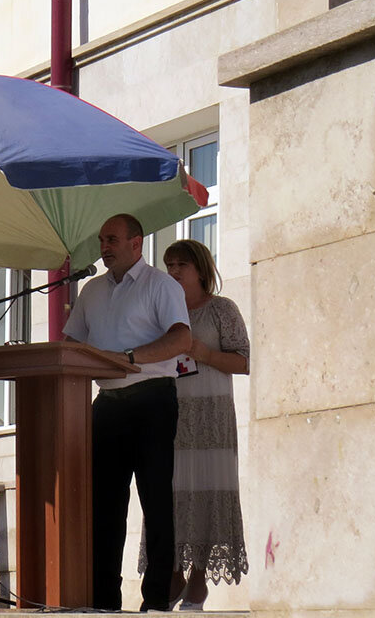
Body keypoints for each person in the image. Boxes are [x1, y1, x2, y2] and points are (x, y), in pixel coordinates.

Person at [63, 214, 191, 612]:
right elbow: (70, 343)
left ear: (136, 243)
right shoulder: (91, 291)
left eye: (113, 240)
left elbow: (181, 337)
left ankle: (155, 600)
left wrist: (129, 358)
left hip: (152, 399)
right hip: (107, 406)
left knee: (155, 501)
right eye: (102, 239)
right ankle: (104, 600)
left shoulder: (160, 285)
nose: (105, 247)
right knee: (103, 506)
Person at [141, 238, 250, 611]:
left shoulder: (222, 310)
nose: (172, 272)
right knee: (168, 494)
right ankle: (171, 571)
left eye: (180, 265)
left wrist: (204, 352)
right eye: (168, 264)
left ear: (200, 270)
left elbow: (245, 361)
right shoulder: (162, 313)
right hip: (170, 414)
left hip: (211, 417)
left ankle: (199, 577)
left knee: (207, 490)